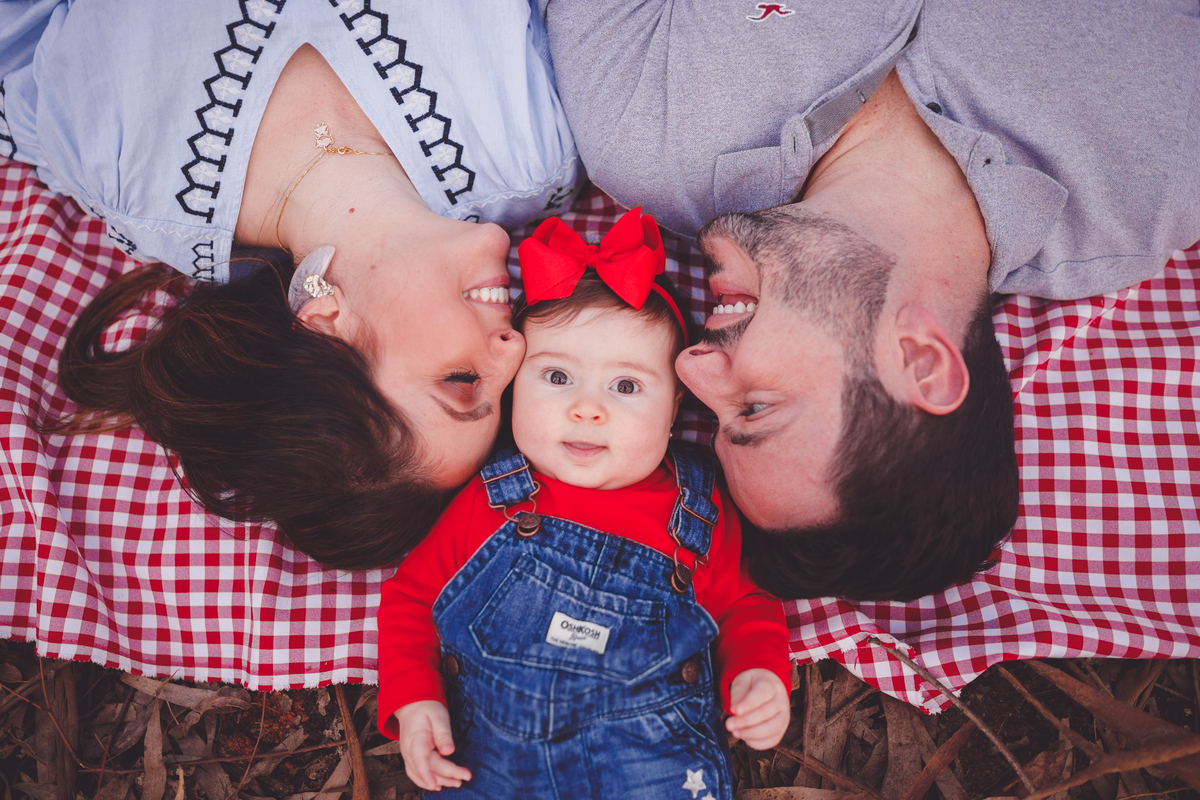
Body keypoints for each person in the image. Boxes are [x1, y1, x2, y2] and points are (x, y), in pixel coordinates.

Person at [540, 0, 1200, 600]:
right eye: (756, 407)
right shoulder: (1156, 174)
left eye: (713, 416)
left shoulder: (644, 139)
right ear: (921, 362)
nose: (690, 368)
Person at [0, 0, 581, 569]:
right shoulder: (534, 148)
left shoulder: (118, 161)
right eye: (501, 396)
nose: (514, 352)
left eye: (462, 382)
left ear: (325, 327)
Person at [376, 209, 792, 796]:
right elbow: (413, 600)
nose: (587, 409)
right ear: (514, 384)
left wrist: (757, 674)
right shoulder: (490, 500)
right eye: (556, 378)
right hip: (496, 759)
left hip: (648, 763)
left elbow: (745, 606)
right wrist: (416, 701)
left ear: (674, 411)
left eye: (626, 387)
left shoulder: (698, 510)